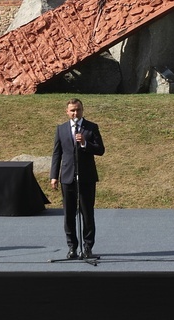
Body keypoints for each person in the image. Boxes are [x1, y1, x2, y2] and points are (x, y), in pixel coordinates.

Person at [50, 98, 105, 259]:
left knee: (87, 214)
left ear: (82, 110)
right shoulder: (61, 129)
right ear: (67, 112)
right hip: (67, 177)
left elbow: (101, 150)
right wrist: (54, 176)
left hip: (86, 177)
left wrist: (85, 144)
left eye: (78, 110)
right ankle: (72, 247)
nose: (75, 113)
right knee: (68, 215)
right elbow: (57, 154)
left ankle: (87, 246)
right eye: (72, 110)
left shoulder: (91, 128)